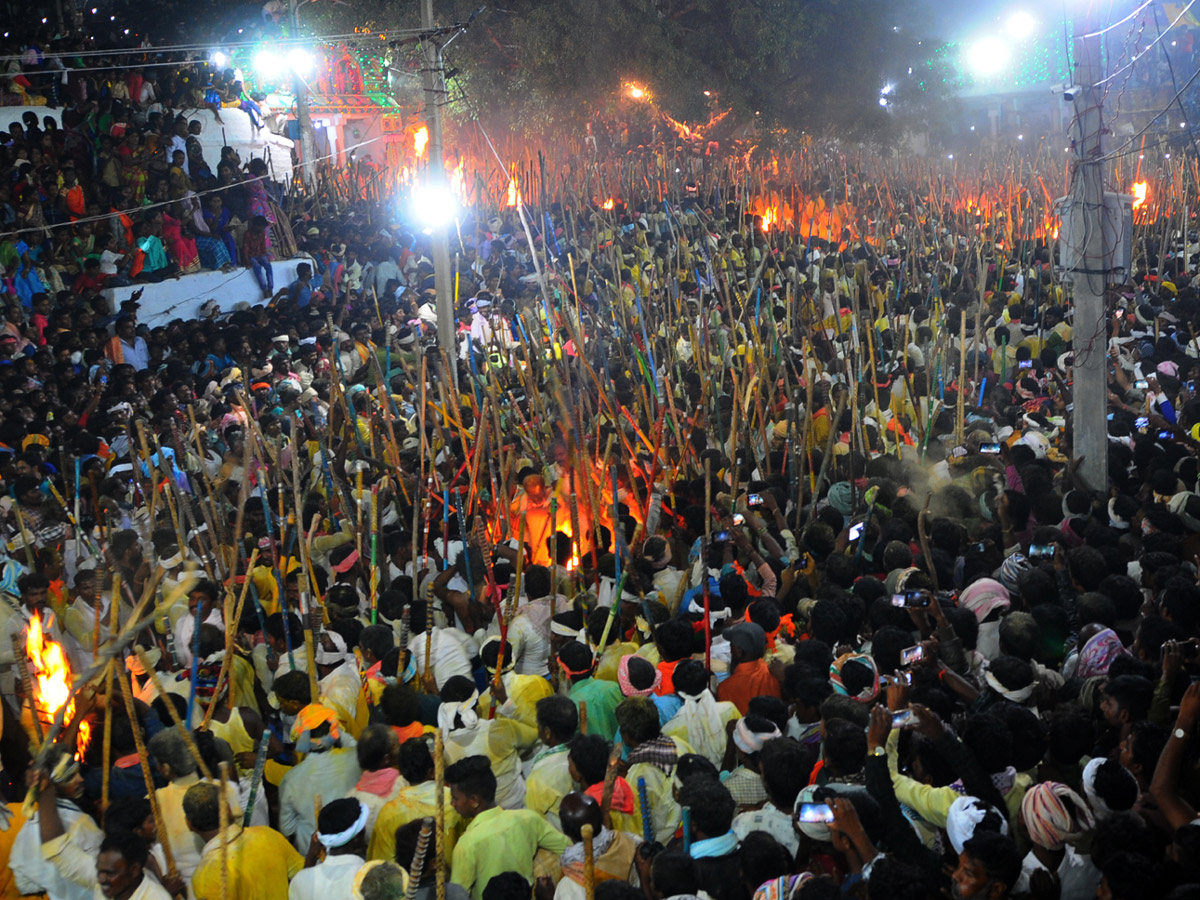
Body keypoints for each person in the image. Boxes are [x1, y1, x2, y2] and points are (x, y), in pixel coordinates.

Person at [446, 756, 569, 900]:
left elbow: (457, 897)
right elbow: (569, 849)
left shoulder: (466, 845)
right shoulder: (528, 819)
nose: (452, 804)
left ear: (474, 800)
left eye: (455, 798)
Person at [185, 781, 306, 900]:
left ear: (189, 824)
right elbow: (304, 875)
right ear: (228, 809)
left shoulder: (204, 876)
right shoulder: (268, 835)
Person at [287, 799, 368, 900]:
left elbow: (305, 883)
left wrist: (311, 857)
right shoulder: (369, 879)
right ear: (357, 838)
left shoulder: (299, 880)